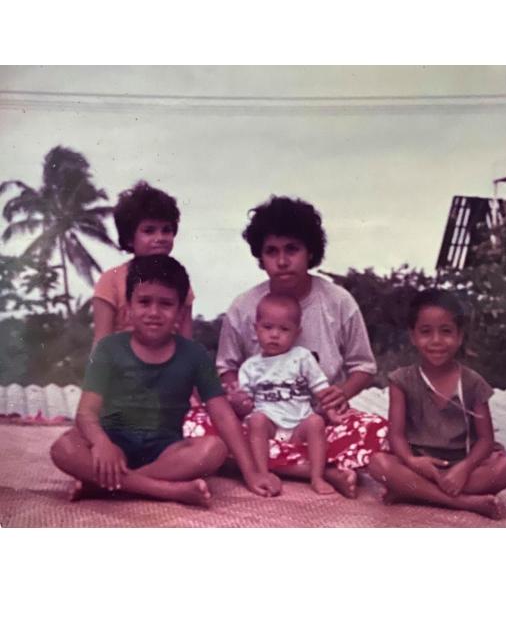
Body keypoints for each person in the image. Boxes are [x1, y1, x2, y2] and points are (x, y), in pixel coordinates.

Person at [183, 195, 388, 498]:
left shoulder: (338, 302)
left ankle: (280, 463)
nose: (281, 261)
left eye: (292, 249)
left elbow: (364, 367)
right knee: (196, 422)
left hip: (319, 422)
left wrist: (342, 393)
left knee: (376, 428)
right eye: (272, 251)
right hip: (259, 423)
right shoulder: (243, 306)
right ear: (260, 256)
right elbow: (226, 368)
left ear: (310, 251)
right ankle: (319, 470)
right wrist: (237, 395)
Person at [50, 255, 279, 506]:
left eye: (166, 304)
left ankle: (107, 487)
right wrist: (102, 444)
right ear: (128, 307)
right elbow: (86, 413)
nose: (154, 313)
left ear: (180, 312)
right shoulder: (109, 349)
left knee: (214, 449)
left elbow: (223, 415)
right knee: (64, 447)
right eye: (144, 302)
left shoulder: (194, 355)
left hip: (165, 452)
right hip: (114, 446)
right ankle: (167, 491)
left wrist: (252, 473)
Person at [368, 289, 506, 519]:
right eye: (426, 332)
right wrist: (411, 461)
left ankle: (414, 493)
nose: (436, 341)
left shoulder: (473, 382)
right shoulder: (401, 380)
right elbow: (396, 435)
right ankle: (465, 502)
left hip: (464, 467)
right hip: (421, 465)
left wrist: (463, 468)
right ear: (413, 336)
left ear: (459, 337)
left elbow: (486, 440)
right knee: (379, 464)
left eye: (446, 331)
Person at [236, 293, 342, 495]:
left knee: (316, 422)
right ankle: (262, 472)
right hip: (269, 427)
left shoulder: (302, 357)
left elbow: (320, 387)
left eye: (284, 329)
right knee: (256, 420)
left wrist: (331, 411)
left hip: (299, 427)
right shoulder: (250, 367)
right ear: (256, 328)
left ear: (296, 332)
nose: (275, 335)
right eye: (268, 327)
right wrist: (239, 402)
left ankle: (317, 477)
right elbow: (245, 401)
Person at [92, 181, 194, 345]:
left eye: (166, 230)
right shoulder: (110, 281)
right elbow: (100, 345)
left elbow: (186, 343)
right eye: (149, 231)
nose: (160, 238)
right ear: (129, 238)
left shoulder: (180, 281)